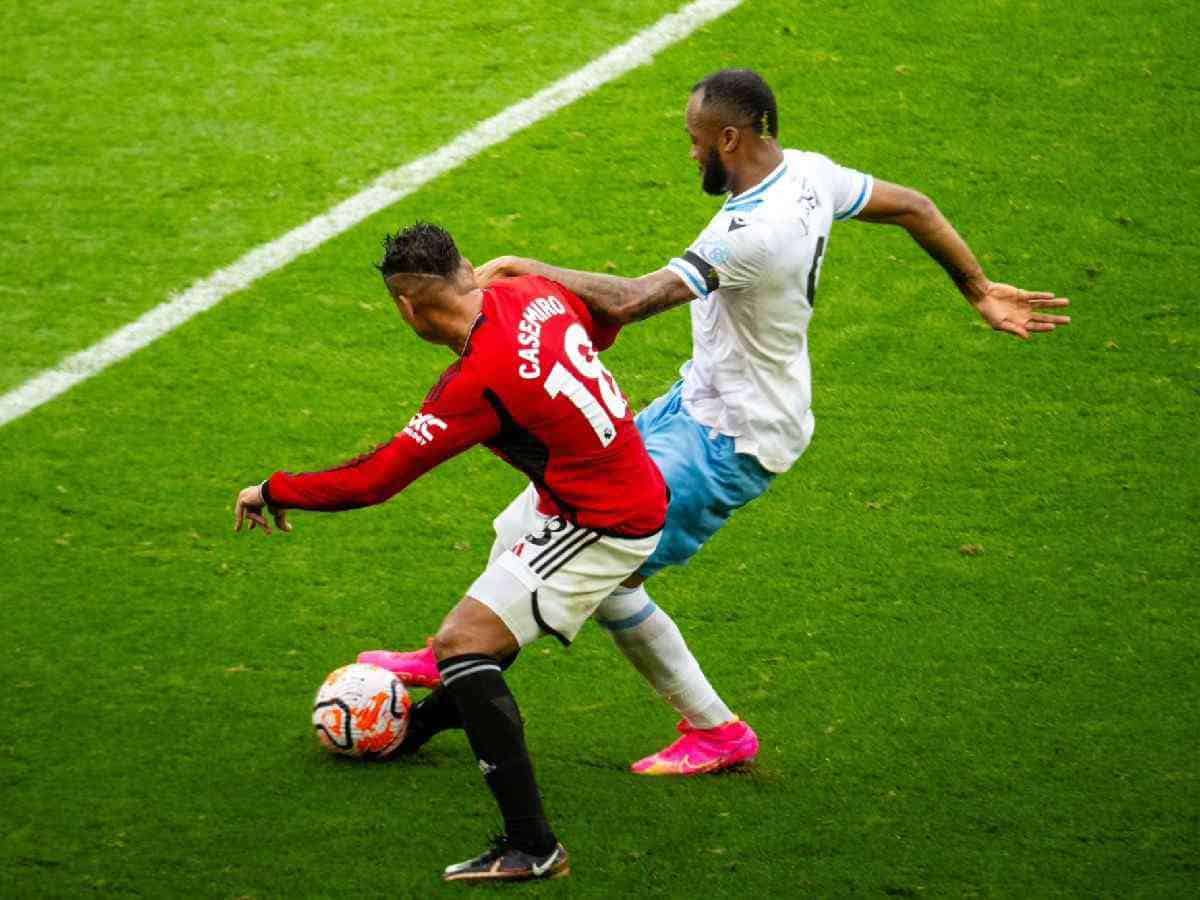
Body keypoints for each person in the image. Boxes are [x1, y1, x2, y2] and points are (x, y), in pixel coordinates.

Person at [362, 68, 1071, 776]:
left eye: (695, 141)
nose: (691, 153)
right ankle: (447, 654)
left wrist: (527, 268)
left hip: (731, 438)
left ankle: (713, 730)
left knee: (603, 571)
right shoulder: (809, 173)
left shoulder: (752, 232)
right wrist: (978, 289)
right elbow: (915, 206)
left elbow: (635, 301)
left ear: (728, 137)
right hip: (696, 403)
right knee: (527, 521)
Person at [233, 222, 669, 882]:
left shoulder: (477, 379)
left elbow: (375, 480)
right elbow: (598, 328)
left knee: (464, 643)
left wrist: (274, 489)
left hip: (603, 519)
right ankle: (417, 729)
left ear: (406, 306)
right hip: (603, 488)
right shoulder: (535, 293)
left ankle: (532, 846)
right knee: (493, 612)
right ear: (466, 267)